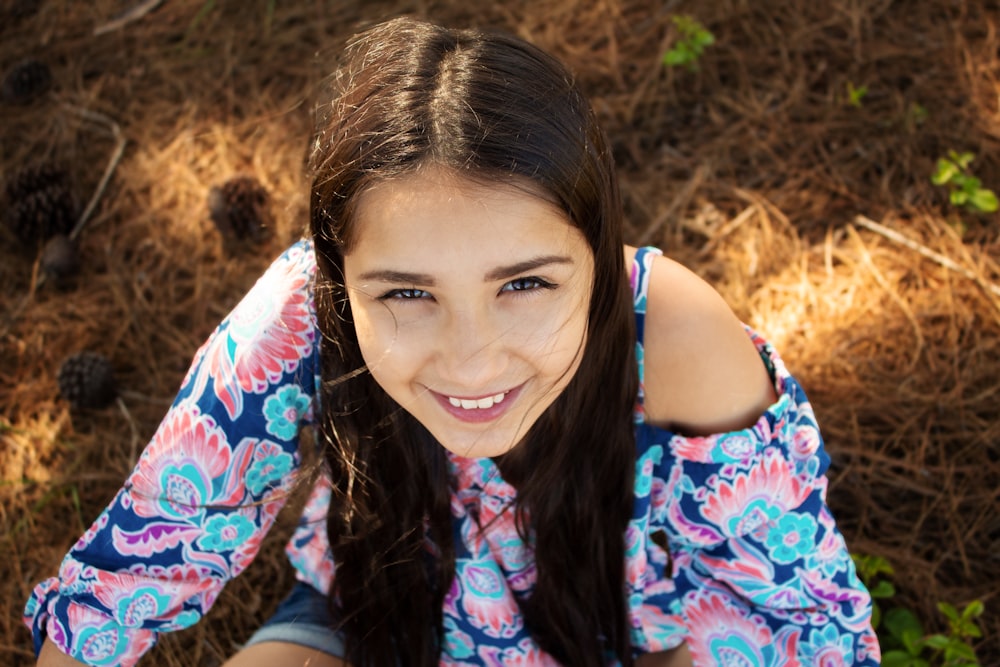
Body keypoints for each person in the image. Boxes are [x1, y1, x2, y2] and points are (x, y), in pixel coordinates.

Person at [26, 17, 879, 667]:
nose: (472, 360)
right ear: (337, 275)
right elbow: (137, 564)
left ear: (597, 251)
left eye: (525, 284)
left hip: (622, 636)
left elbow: (793, 621)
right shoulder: (302, 313)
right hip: (372, 616)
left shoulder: (672, 330)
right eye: (406, 293)